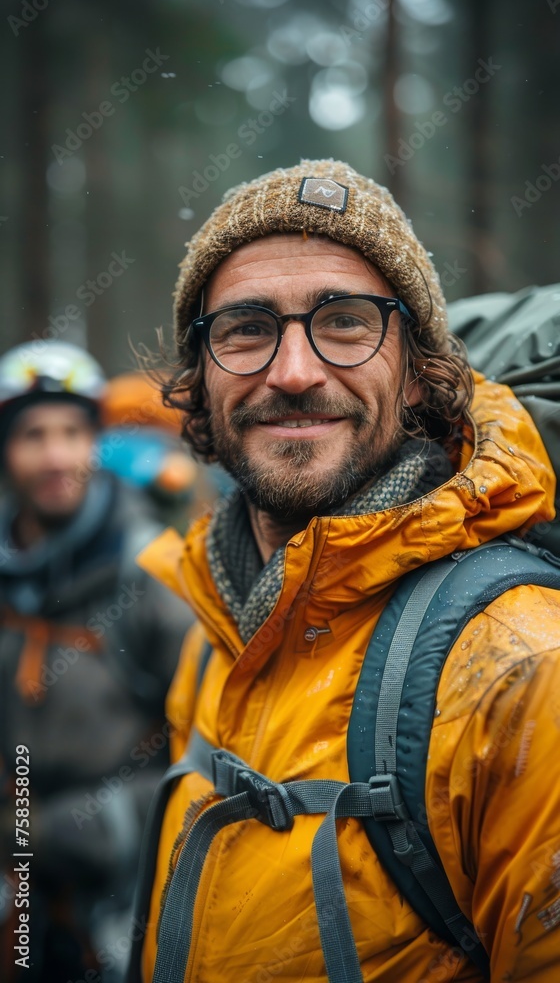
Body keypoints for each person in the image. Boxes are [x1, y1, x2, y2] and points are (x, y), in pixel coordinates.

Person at [133, 160, 560, 982]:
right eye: (246, 328)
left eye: (346, 321)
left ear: (418, 372)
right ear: (200, 374)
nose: (293, 372)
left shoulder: (523, 668)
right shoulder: (213, 625)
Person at [0, 341, 193, 982]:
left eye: (72, 433)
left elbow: (208, 753)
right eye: (33, 435)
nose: (56, 456)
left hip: (123, 903)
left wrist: (68, 829)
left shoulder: (151, 570)